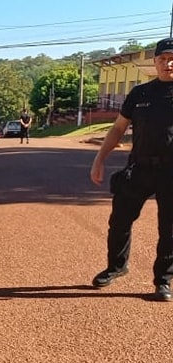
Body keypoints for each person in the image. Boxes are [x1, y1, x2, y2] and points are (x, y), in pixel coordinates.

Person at [89, 37, 173, 302]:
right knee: (119, 222)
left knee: (169, 229)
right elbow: (118, 128)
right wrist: (99, 159)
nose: (168, 63)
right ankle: (116, 266)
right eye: (162, 58)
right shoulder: (140, 94)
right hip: (138, 167)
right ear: (155, 62)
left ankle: (163, 281)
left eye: (172, 58)